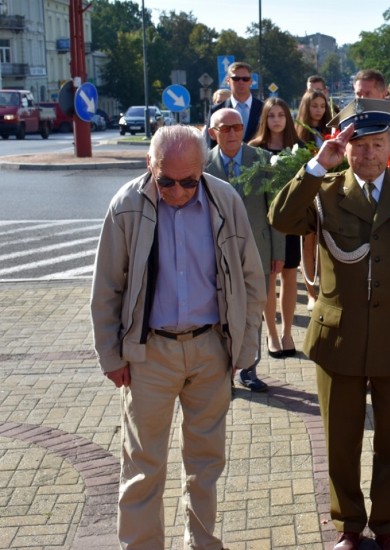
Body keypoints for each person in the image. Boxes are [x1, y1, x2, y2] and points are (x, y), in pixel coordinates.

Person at [268, 98, 390, 550]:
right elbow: (281, 219)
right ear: (343, 148)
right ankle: (349, 525)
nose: (368, 155)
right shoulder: (324, 192)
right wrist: (314, 167)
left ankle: (388, 525)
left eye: (377, 145)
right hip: (338, 338)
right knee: (340, 442)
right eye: (358, 146)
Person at [90, 125, 266, 548]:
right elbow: (107, 288)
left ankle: (202, 543)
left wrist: (245, 346)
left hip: (211, 349)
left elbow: (250, 278)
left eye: (189, 181)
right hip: (148, 353)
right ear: (149, 165)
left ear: (202, 170)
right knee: (143, 464)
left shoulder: (224, 199)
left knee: (206, 463)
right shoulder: (126, 205)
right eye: (166, 180)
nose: (178, 191)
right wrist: (111, 357)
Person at [205, 107, 283, 391]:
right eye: (225, 129)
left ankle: (249, 369)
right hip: (215, 253)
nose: (233, 133)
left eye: (237, 127)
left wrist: (278, 252)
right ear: (213, 133)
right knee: (219, 311)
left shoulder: (261, 160)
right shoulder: (203, 165)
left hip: (258, 249)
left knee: (253, 309)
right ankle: (222, 371)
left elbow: (274, 209)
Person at [249, 97, 304, 357]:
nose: (277, 120)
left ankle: (287, 332)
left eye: (281, 115)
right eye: (271, 116)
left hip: (291, 222)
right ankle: (271, 333)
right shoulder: (254, 149)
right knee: (269, 277)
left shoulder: (299, 148)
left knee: (290, 276)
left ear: (288, 118)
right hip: (264, 224)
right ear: (265, 120)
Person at [295, 90, 334, 311]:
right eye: (314, 105)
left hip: (328, 192)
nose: (318, 110)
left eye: (322, 105)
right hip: (308, 194)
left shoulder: (330, 131)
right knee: (308, 242)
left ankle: (326, 289)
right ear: (306, 107)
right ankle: (311, 293)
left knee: (326, 242)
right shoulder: (298, 134)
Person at [208, 61, 262, 145]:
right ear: (228, 80)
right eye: (236, 79)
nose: (241, 82)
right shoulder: (216, 110)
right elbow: (211, 142)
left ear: (251, 81)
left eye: (245, 79)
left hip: (259, 157)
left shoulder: (264, 108)